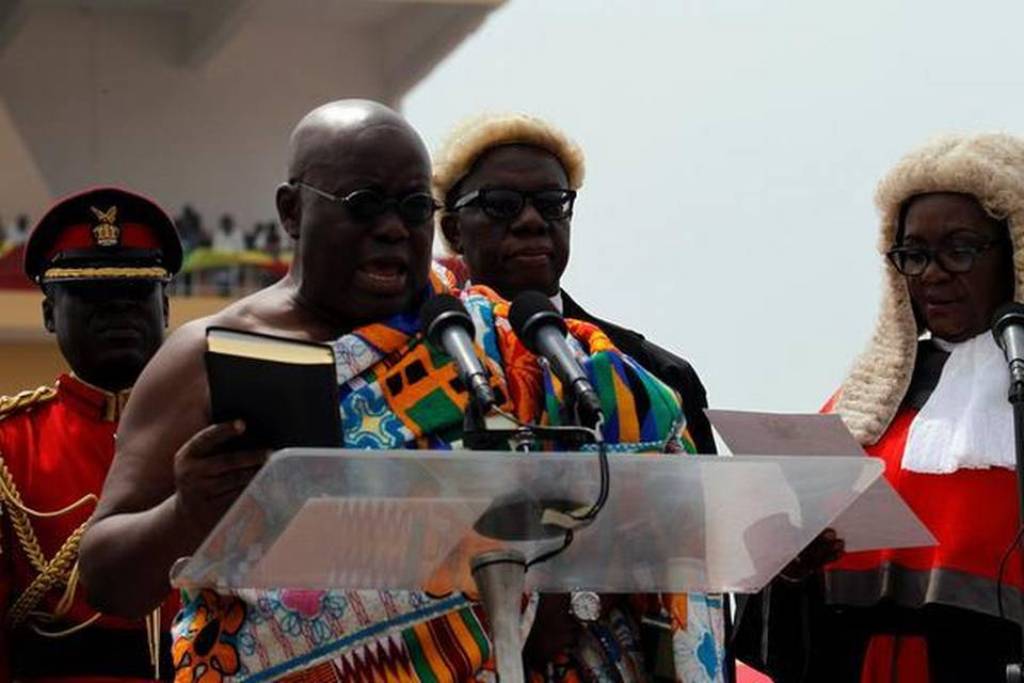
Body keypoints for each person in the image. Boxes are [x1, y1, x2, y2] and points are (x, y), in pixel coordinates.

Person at [79, 100, 717, 683]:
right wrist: (186, 513)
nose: (393, 228)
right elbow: (105, 578)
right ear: (292, 211)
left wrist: (556, 585)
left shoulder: (484, 338)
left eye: (413, 209)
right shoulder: (205, 355)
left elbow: (647, 480)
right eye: (364, 203)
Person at [735, 132, 1024, 682]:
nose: (933, 273)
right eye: (914, 255)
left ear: (1014, 250)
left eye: (960, 249)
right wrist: (790, 569)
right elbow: (784, 619)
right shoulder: (863, 405)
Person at [432, 113, 716, 455]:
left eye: (552, 203)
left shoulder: (657, 376)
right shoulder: (419, 366)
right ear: (453, 231)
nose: (532, 221)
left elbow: (697, 508)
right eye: (501, 204)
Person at [0, 187, 183, 681]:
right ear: (47, 314)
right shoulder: (8, 447)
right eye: (92, 296)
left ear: (164, 309)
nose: (118, 311)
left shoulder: (217, 430)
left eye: (136, 293)